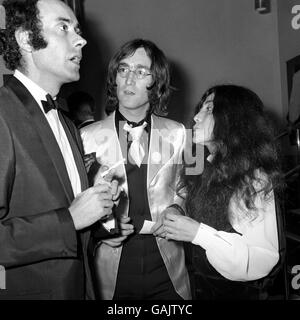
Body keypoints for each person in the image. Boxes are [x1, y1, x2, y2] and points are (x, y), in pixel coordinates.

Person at [0, 0, 115, 300]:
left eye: (77, 29)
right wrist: (71, 219)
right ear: (25, 39)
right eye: (63, 27)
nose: (81, 39)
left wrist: (101, 224)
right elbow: (67, 218)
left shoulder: (66, 123)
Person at [81, 39, 191, 300]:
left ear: (156, 83)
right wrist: (102, 229)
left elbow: (183, 189)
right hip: (111, 266)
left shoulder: (177, 133)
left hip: (166, 263)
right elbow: (75, 201)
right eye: (123, 69)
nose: (129, 79)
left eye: (141, 71)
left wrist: (177, 208)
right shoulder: (85, 137)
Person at [161, 84, 284, 300]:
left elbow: (261, 259)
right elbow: (193, 209)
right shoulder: (203, 166)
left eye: (208, 109)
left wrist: (198, 234)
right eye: (200, 109)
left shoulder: (252, 178)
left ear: (233, 117)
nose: (197, 117)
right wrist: (175, 211)